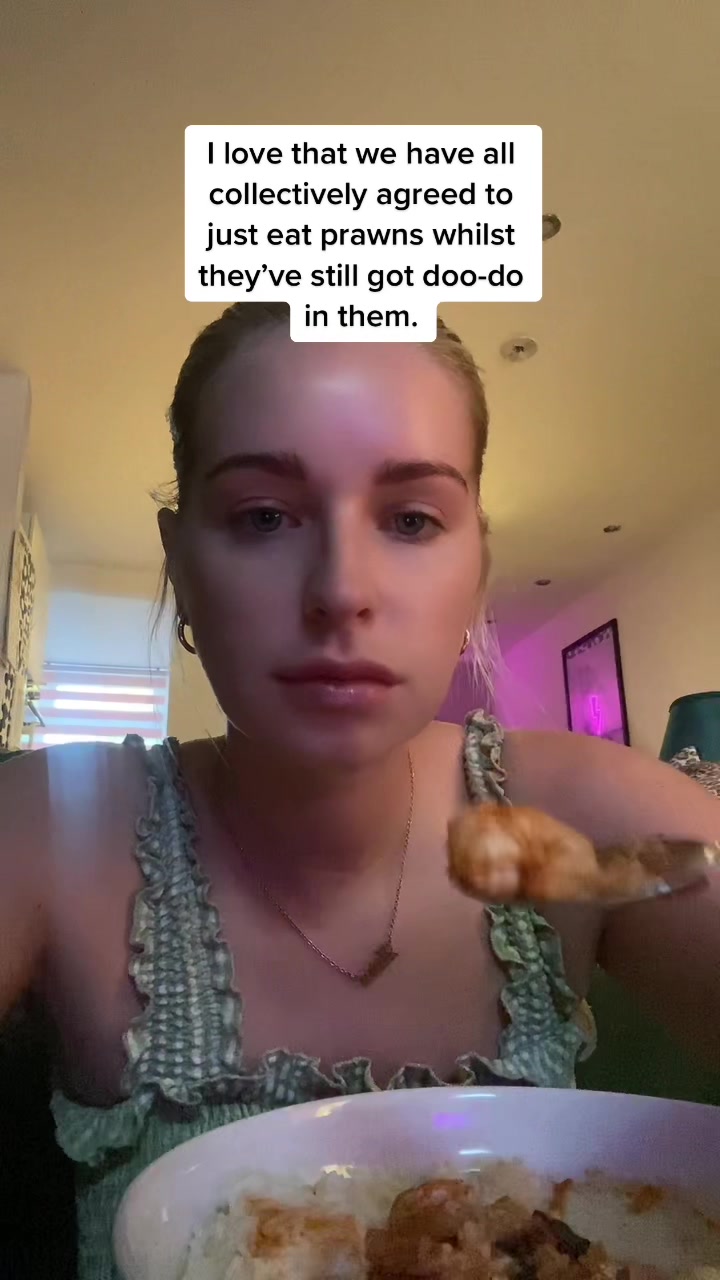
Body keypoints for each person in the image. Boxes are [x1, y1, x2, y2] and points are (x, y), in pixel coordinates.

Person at [1, 302, 718, 1280]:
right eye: (263, 516)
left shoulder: (585, 813)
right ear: (180, 559)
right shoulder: (52, 825)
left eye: (412, 519)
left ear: (477, 568)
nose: (342, 588)